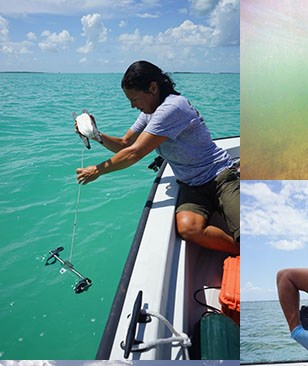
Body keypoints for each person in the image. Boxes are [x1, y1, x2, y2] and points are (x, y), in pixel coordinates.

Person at [75, 60, 239, 255]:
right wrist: (96, 135)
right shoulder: (150, 113)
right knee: (189, 228)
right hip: (191, 184)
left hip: (219, 176)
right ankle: (239, 251)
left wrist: (97, 170)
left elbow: (135, 153)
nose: (132, 106)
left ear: (153, 88)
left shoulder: (173, 107)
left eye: (134, 99)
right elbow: (125, 143)